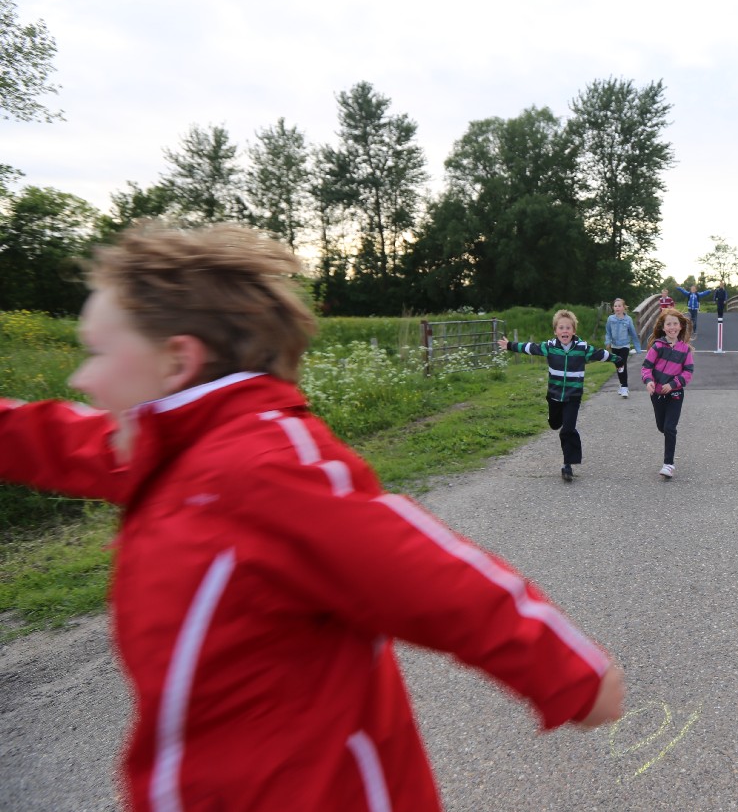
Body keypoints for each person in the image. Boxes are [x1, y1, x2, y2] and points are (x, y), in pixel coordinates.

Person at [0, 223, 625, 812]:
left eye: (98, 352)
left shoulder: (268, 467)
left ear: (176, 361)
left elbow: (428, 574)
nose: (81, 378)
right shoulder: (159, 450)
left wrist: (566, 672)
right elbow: (55, 437)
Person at [498, 309, 619, 482]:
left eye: (568, 328)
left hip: (573, 397)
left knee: (567, 429)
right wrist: (510, 345)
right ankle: (555, 420)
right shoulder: (550, 347)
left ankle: (567, 464)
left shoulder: (582, 348)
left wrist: (617, 359)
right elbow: (531, 348)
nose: (565, 331)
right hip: (554, 395)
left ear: (573, 331)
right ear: (555, 331)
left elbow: (600, 354)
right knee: (555, 424)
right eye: (561, 328)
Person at [641, 308, 695, 480]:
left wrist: (673, 384)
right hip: (657, 394)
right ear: (663, 328)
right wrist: (648, 381)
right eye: (669, 324)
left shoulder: (685, 350)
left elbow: (688, 372)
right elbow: (646, 367)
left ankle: (668, 465)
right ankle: (668, 449)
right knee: (662, 427)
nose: (672, 327)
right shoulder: (657, 347)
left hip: (675, 394)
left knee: (670, 428)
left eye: (675, 324)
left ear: (681, 326)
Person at [604, 298, 642, 399]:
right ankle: (622, 385)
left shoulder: (628, 319)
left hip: (625, 345)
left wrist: (637, 348)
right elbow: (608, 332)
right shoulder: (610, 319)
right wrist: (607, 342)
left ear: (624, 307)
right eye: (615, 306)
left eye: (619, 306)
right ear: (613, 308)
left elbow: (633, 334)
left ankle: (625, 387)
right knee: (618, 365)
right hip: (614, 346)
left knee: (622, 363)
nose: (617, 308)